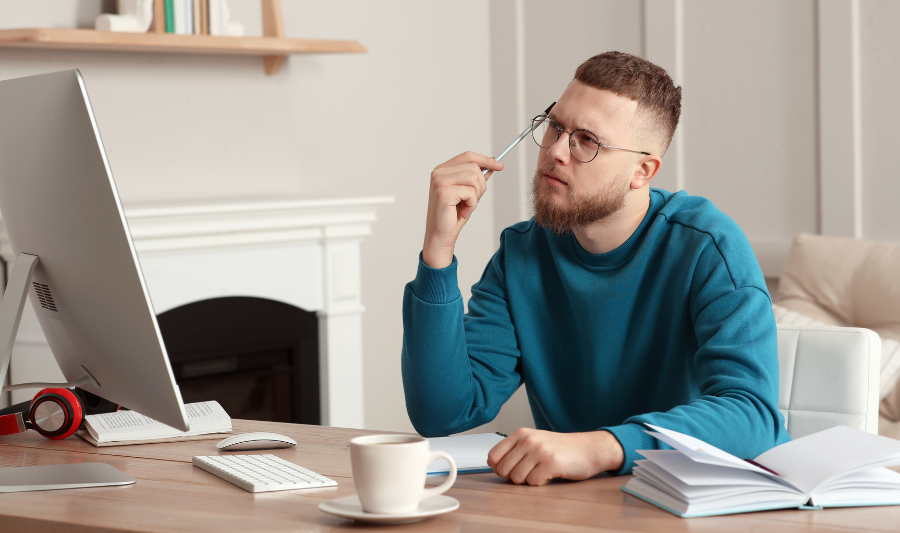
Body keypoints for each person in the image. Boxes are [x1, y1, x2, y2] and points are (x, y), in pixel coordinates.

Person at [401, 51, 789, 486]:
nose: (556, 152)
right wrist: (438, 250)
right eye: (555, 126)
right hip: (568, 507)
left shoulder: (707, 247)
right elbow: (442, 413)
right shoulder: (521, 254)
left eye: (587, 140)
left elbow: (753, 416)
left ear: (642, 171)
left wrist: (602, 446)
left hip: (684, 504)